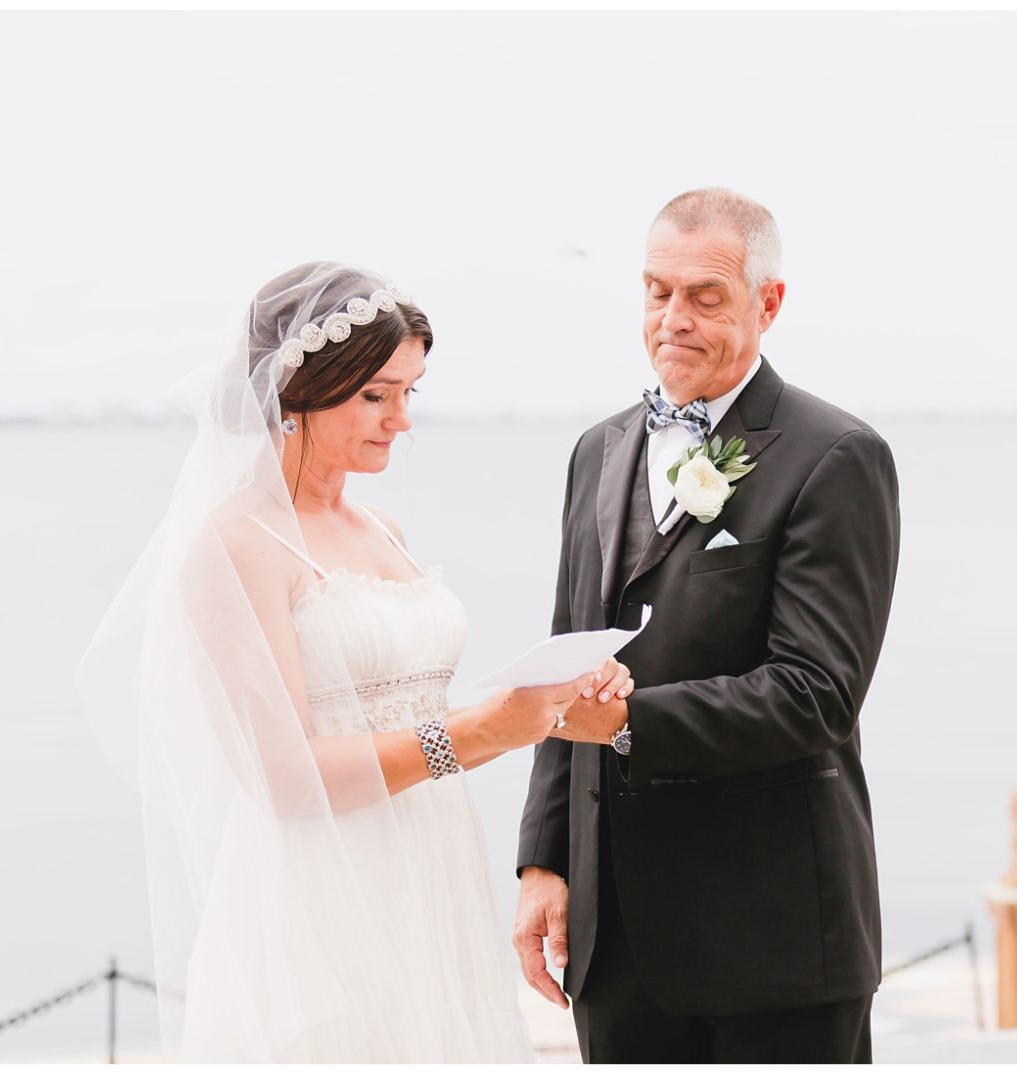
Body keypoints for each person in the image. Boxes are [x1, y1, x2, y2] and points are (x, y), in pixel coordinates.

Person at [81, 261, 632, 1061]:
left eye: (410, 392)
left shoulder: (383, 531)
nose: (400, 419)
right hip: (318, 886)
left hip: (430, 859)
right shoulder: (237, 545)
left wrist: (557, 701)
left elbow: (424, 702)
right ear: (295, 395)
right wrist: (484, 732)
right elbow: (285, 778)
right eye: (376, 395)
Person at [514, 190, 901, 1063]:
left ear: (769, 304)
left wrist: (629, 721)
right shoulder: (597, 451)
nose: (671, 319)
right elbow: (563, 660)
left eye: (705, 296)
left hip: (774, 944)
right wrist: (545, 860)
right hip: (615, 946)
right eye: (656, 292)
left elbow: (817, 694)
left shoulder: (835, 456)